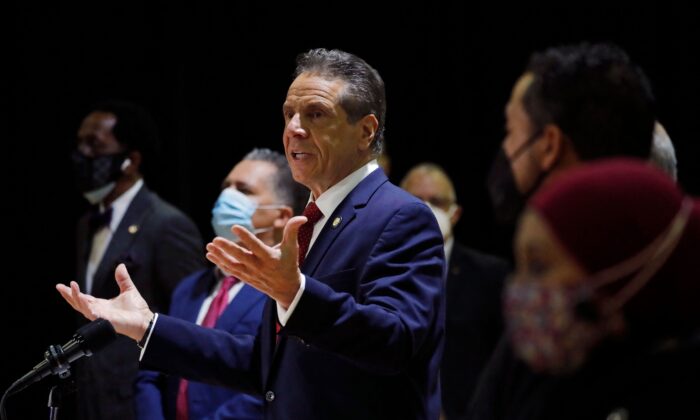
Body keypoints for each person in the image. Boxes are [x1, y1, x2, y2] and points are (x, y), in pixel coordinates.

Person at [58, 48, 445, 420]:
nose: (294, 128)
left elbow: (398, 343)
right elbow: (261, 364)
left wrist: (295, 294)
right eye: (289, 113)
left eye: (315, 114)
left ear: (365, 131)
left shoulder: (400, 216)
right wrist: (146, 326)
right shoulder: (315, 220)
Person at [471, 42, 658, 420]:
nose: (505, 149)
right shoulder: (665, 291)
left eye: (511, 130)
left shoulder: (547, 322)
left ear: (550, 145)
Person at [475, 158, 700, 419]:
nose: (518, 288)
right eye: (520, 267)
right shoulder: (539, 371)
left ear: (617, 268)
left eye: (538, 267)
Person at [135, 148, 307, 420]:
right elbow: (152, 372)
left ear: (282, 216)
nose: (227, 196)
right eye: (226, 186)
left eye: (244, 190)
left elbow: (274, 385)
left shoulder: (288, 291)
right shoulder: (188, 287)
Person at [70, 100, 205, 420]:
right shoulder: (86, 225)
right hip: (92, 399)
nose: (82, 154)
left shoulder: (166, 223)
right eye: (80, 143)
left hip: (142, 402)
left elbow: (191, 322)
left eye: (94, 144)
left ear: (130, 160)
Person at [401, 163, 509, 419]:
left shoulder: (490, 274)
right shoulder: (379, 269)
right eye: (416, 200)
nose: (426, 209)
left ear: (455, 213)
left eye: (436, 201)